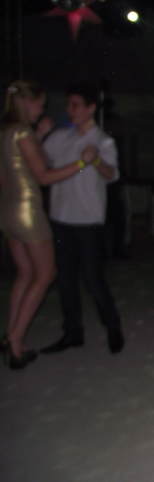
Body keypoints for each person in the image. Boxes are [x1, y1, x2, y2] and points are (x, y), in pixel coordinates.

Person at [0, 81, 95, 369]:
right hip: (27, 210)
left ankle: (11, 335)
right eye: (40, 105)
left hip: (7, 210)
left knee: (25, 273)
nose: (41, 111)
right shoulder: (22, 132)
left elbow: (6, 177)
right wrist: (82, 163)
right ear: (26, 103)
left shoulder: (5, 132)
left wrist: (39, 137)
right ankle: (15, 339)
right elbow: (43, 177)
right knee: (45, 274)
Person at [39, 82, 124, 355]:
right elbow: (40, 162)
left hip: (88, 220)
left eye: (76, 105)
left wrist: (96, 160)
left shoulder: (103, 141)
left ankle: (113, 326)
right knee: (65, 279)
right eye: (69, 105)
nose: (70, 110)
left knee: (92, 279)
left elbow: (111, 175)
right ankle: (72, 332)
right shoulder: (60, 137)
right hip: (61, 217)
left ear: (91, 108)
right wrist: (39, 136)